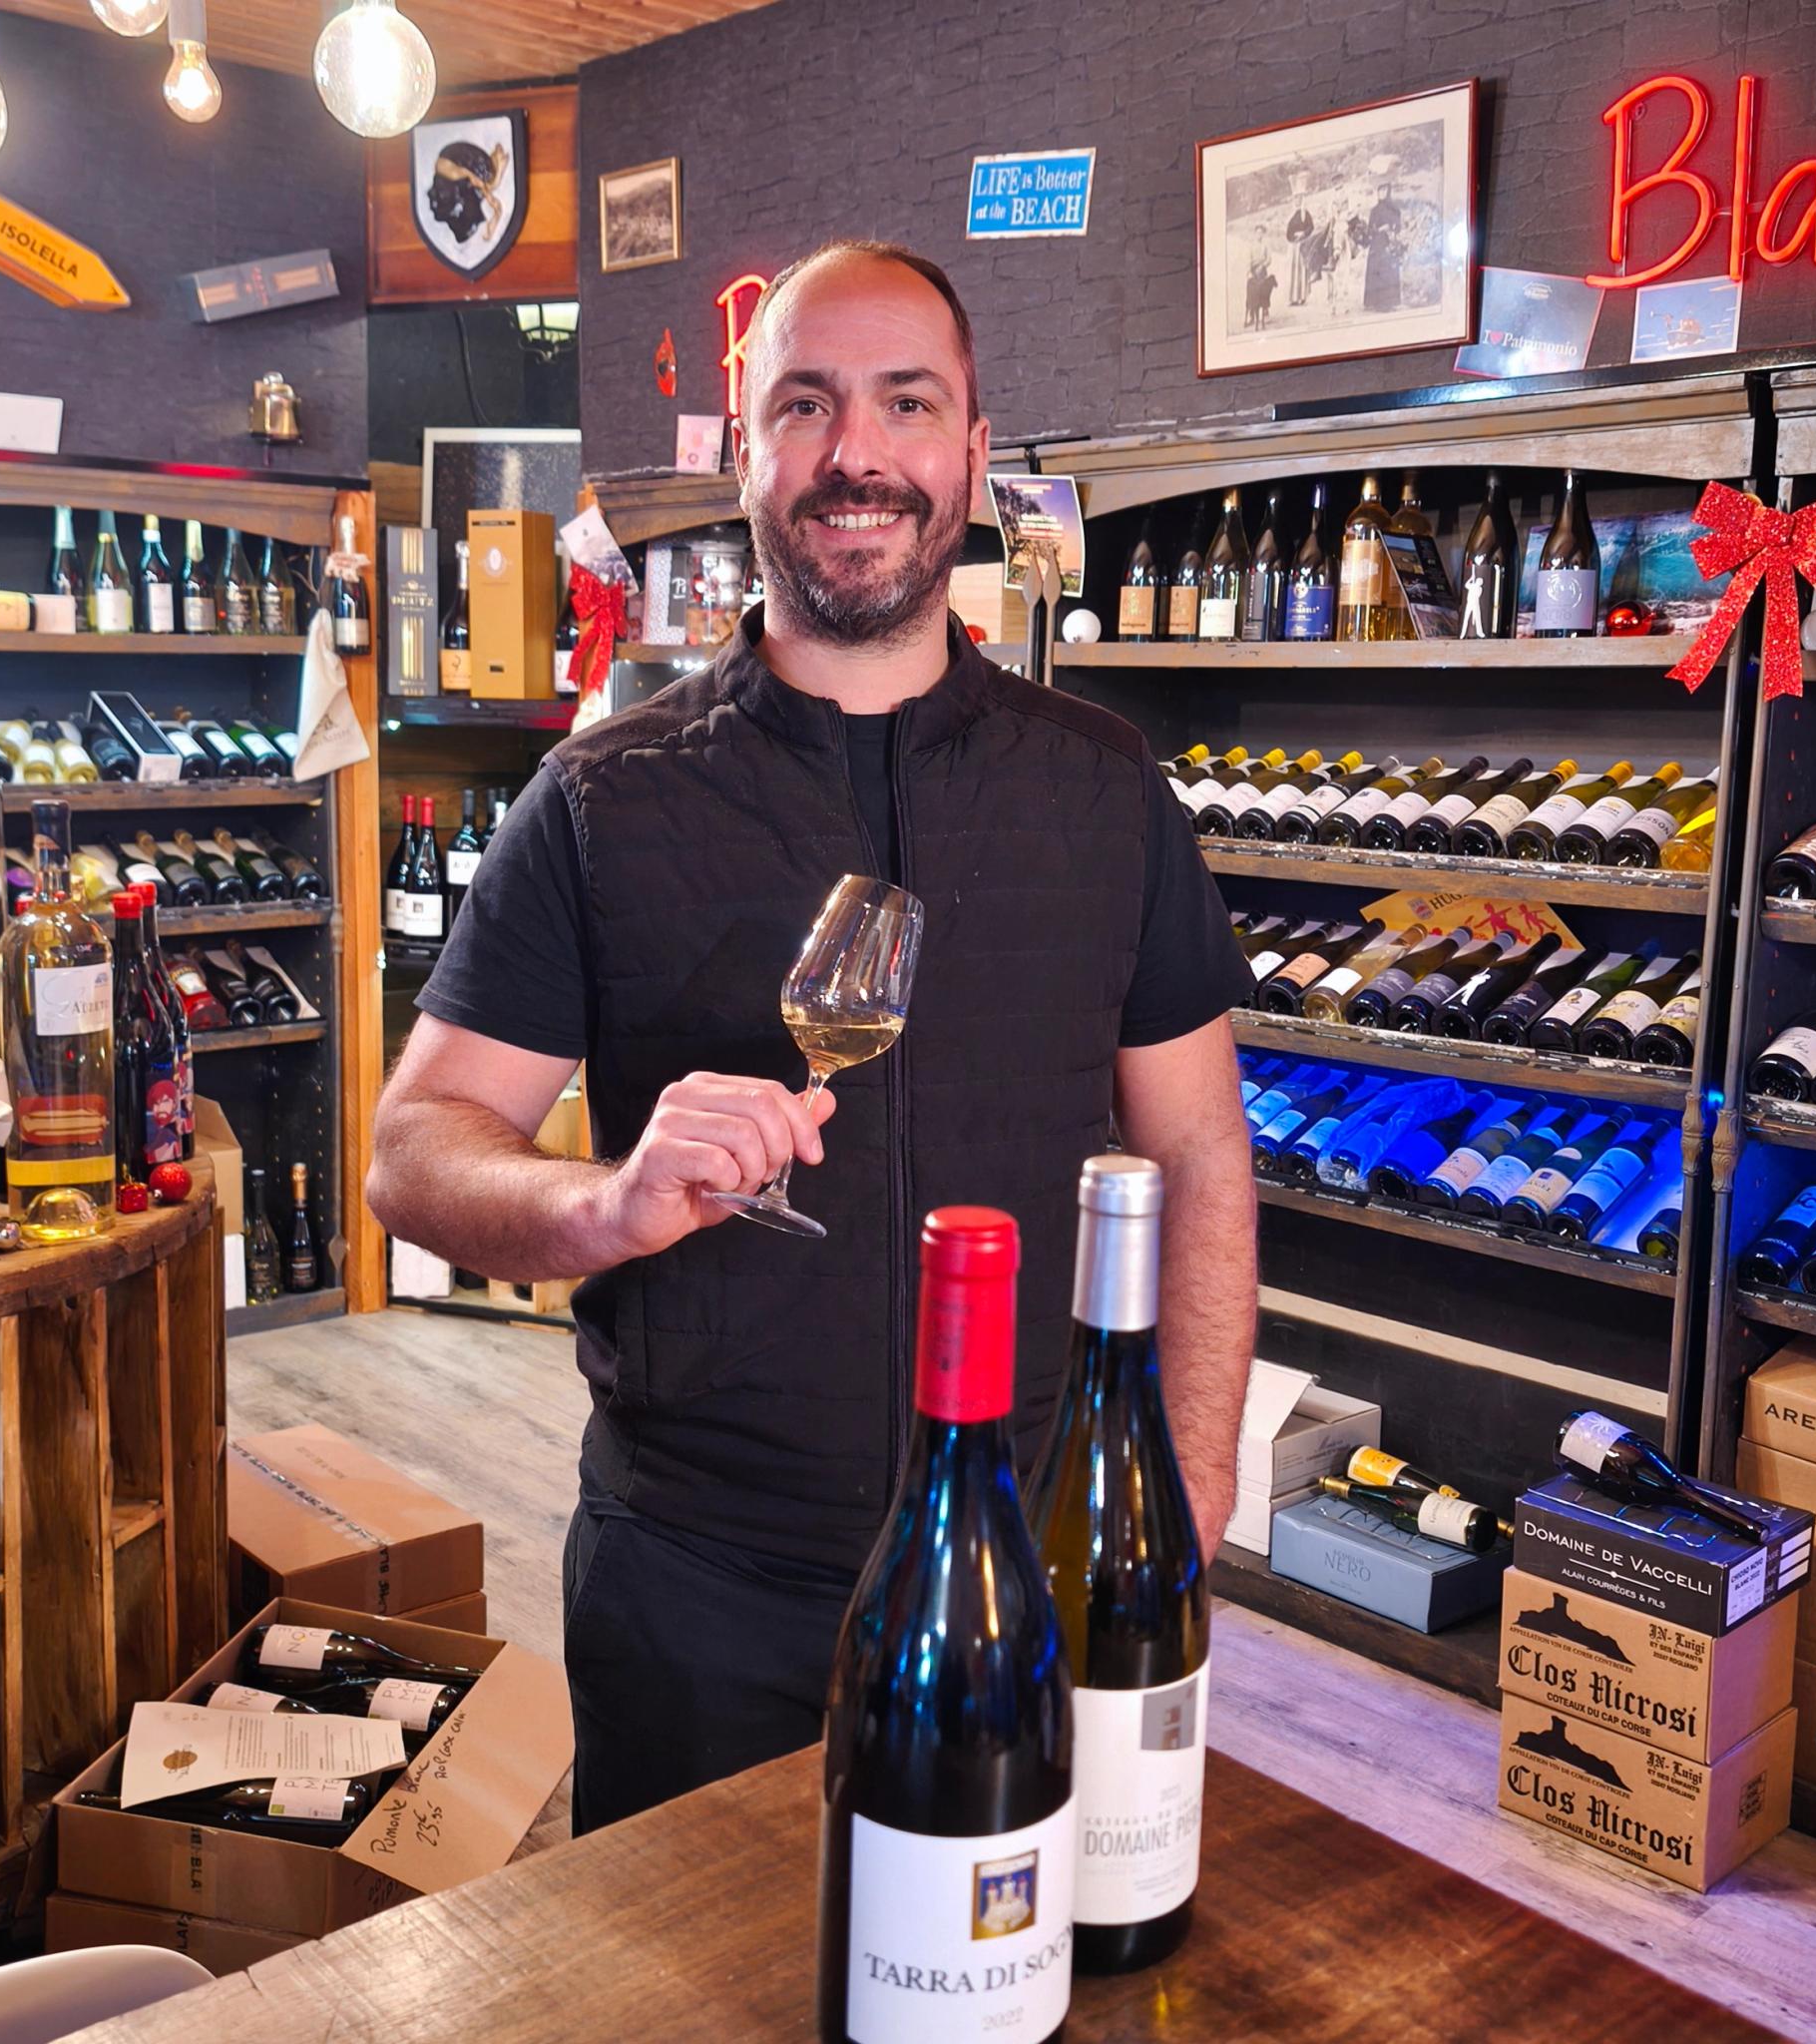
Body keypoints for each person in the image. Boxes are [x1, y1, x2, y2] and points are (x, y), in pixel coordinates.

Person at [366, 240, 1258, 1834]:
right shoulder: (600, 799)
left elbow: (1196, 1155)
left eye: (907, 404)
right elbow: (412, 1150)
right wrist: (598, 1204)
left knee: (1004, 1990)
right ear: (746, 450)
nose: (858, 455)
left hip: (1030, 1566)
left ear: (974, 454)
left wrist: (1179, 1506)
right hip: (698, 1582)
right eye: (807, 404)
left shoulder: (1105, 790)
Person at [1364, 180, 1404, 313]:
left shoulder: (1394, 209)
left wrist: (1391, 227)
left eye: (1384, 190)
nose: (1382, 193)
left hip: (1389, 243)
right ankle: (1376, 302)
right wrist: (1378, 230)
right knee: (1376, 269)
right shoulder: (1374, 210)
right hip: (1377, 243)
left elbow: (1398, 226)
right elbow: (1370, 230)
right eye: (1380, 191)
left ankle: (1390, 301)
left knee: (1389, 270)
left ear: (1388, 192)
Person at [1285, 199, 1315, 305]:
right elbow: (1288, 232)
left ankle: (1302, 297)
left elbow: (1311, 227)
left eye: (1299, 200)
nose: (1296, 202)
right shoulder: (1291, 215)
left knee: (1302, 270)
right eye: (1295, 200)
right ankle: (1293, 298)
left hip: (1303, 245)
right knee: (1294, 271)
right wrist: (1293, 236)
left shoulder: (1305, 214)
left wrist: (1303, 234)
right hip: (1294, 246)